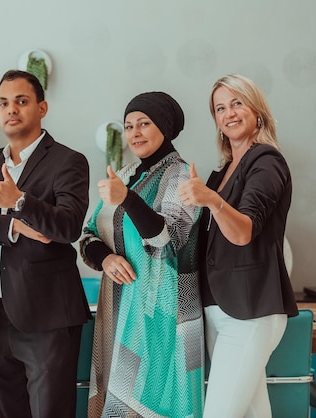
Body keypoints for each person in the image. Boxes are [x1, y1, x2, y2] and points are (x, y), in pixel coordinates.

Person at [0, 69, 92, 418]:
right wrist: (15, 226)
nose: (12, 109)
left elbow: (68, 227)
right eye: (4, 103)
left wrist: (20, 200)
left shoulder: (68, 161)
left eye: (21, 101)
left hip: (48, 314)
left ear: (42, 108)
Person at [177, 74, 298, 418]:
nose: (228, 113)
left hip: (250, 310)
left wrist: (212, 201)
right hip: (220, 309)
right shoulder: (222, 172)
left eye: (237, 103)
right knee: (252, 414)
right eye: (219, 108)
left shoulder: (267, 161)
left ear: (256, 110)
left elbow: (243, 231)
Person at [79, 92, 204, 417]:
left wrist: (129, 201)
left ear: (163, 126)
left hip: (164, 315)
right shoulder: (123, 174)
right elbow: (88, 234)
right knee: (117, 398)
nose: (134, 132)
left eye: (144, 124)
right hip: (120, 310)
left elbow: (170, 243)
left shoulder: (181, 177)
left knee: (149, 404)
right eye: (128, 125)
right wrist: (105, 258)